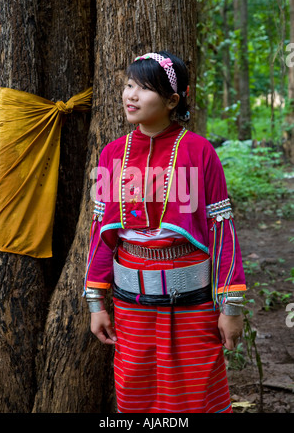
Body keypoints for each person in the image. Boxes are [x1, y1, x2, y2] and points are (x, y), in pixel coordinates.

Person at [84, 51, 246, 413]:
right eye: (129, 85)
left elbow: (223, 231)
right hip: (131, 305)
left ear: (173, 100)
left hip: (193, 305)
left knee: (195, 394)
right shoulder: (112, 155)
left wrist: (230, 307)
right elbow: (101, 235)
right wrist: (96, 302)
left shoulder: (200, 152)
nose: (131, 95)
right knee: (135, 389)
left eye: (144, 88)